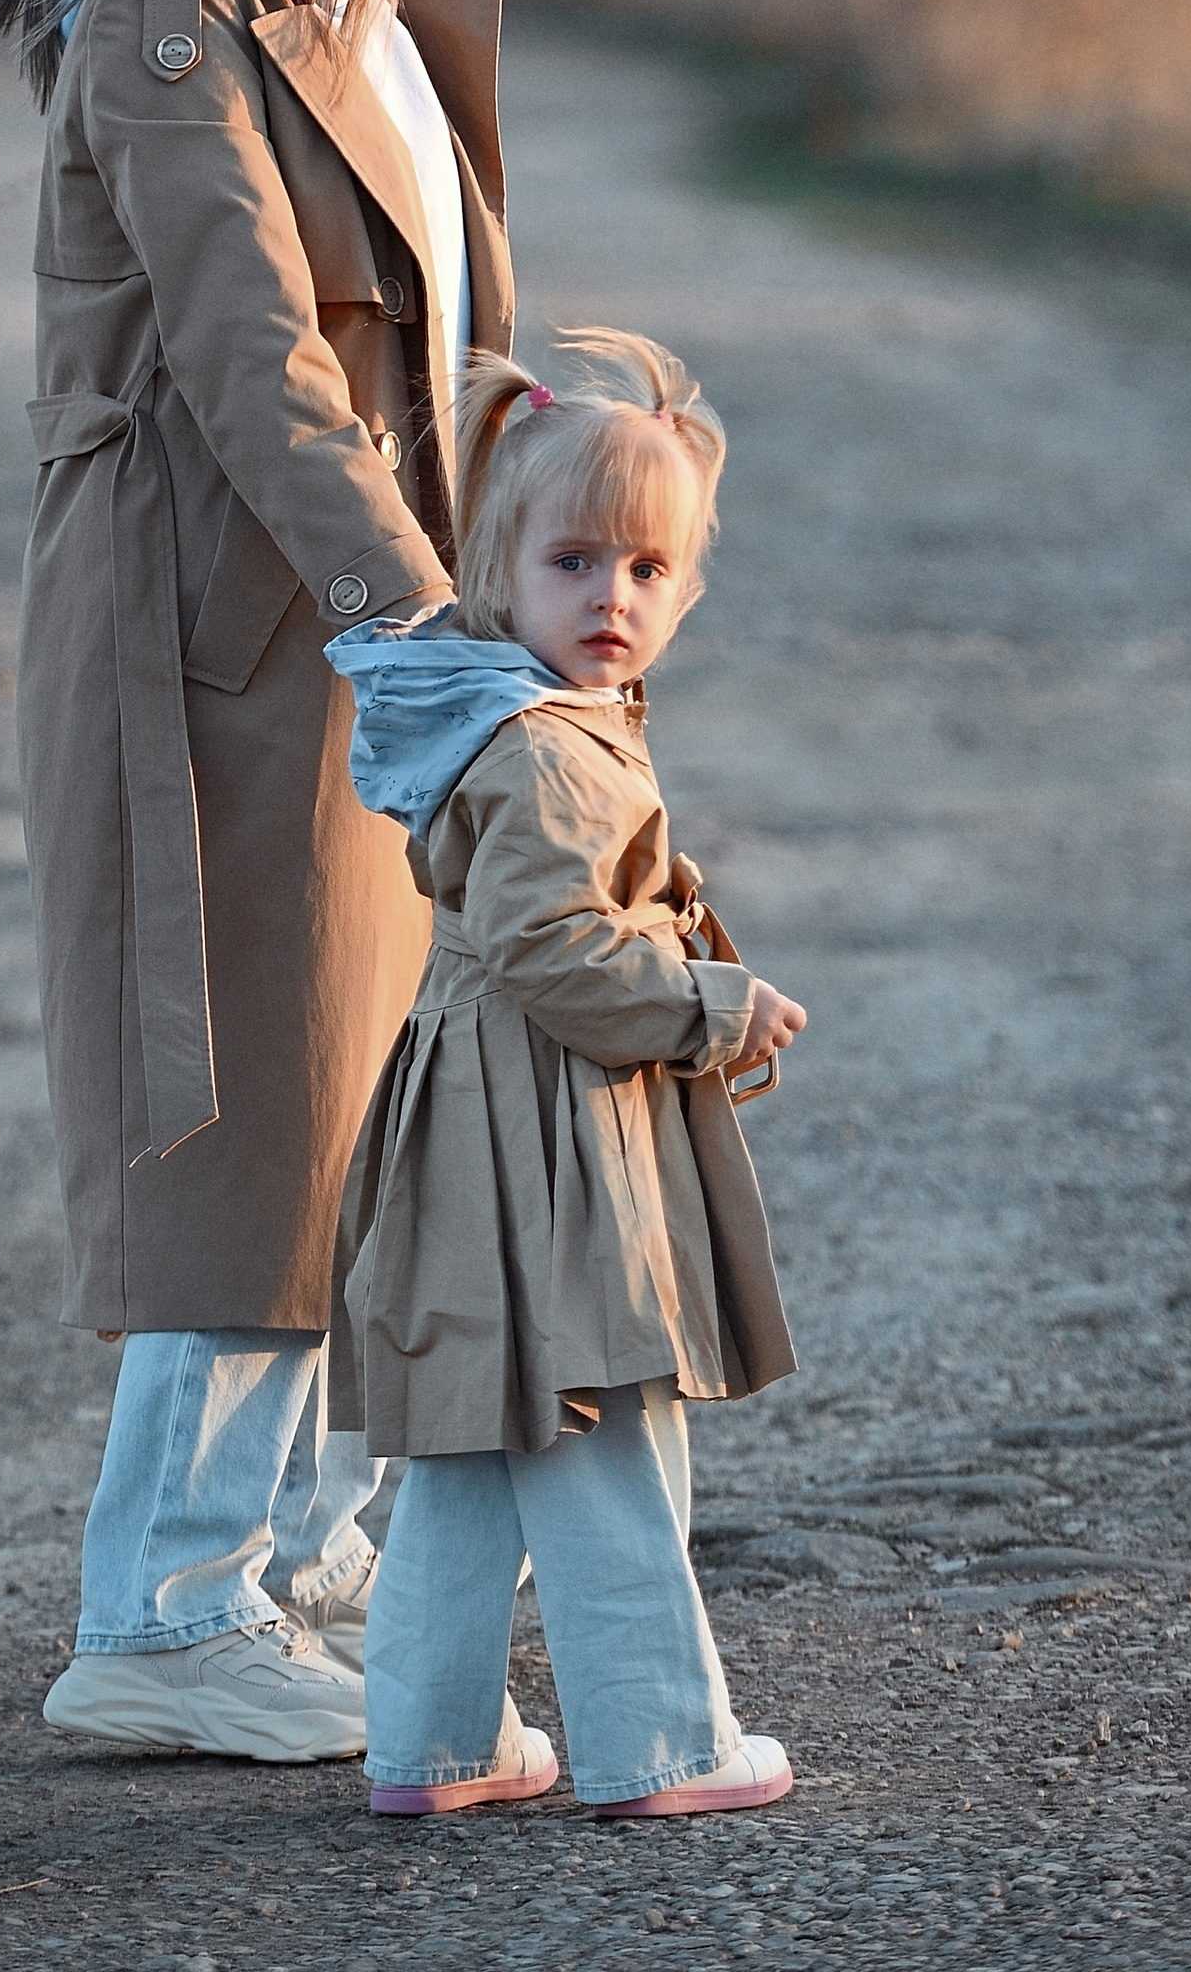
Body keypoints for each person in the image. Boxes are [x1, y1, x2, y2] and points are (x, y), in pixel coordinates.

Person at [0, 0, 516, 1764]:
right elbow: (245, 355)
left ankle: (274, 1577)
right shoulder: (172, 6)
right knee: (239, 1105)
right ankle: (163, 1613)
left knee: (361, 1104)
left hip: (334, 604)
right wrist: (420, 628)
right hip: (206, 622)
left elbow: (418, 337)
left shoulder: (340, 0)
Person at [324, 329, 807, 1819]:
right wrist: (710, 1002)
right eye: (576, 563)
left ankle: (430, 1744)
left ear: (689, 586)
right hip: (546, 1131)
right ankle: (663, 1745)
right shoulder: (548, 749)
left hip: (483, 1120)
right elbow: (550, 945)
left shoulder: (522, 718)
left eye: (648, 572)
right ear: (494, 570)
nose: (614, 599)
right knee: (605, 1428)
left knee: (478, 1438)